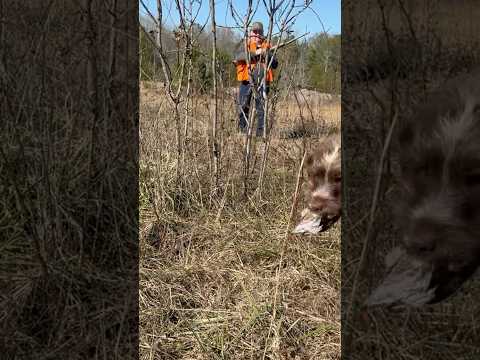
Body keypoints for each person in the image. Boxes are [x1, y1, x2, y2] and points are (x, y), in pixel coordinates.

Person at [233, 22, 278, 136]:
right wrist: (257, 52)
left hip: (263, 83)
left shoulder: (268, 47)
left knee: (261, 109)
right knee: (243, 107)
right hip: (246, 81)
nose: (257, 34)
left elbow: (275, 64)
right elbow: (238, 56)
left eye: (259, 32)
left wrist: (267, 55)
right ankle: (241, 132)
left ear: (263, 34)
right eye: (255, 32)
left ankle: (260, 135)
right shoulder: (244, 44)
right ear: (250, 33)